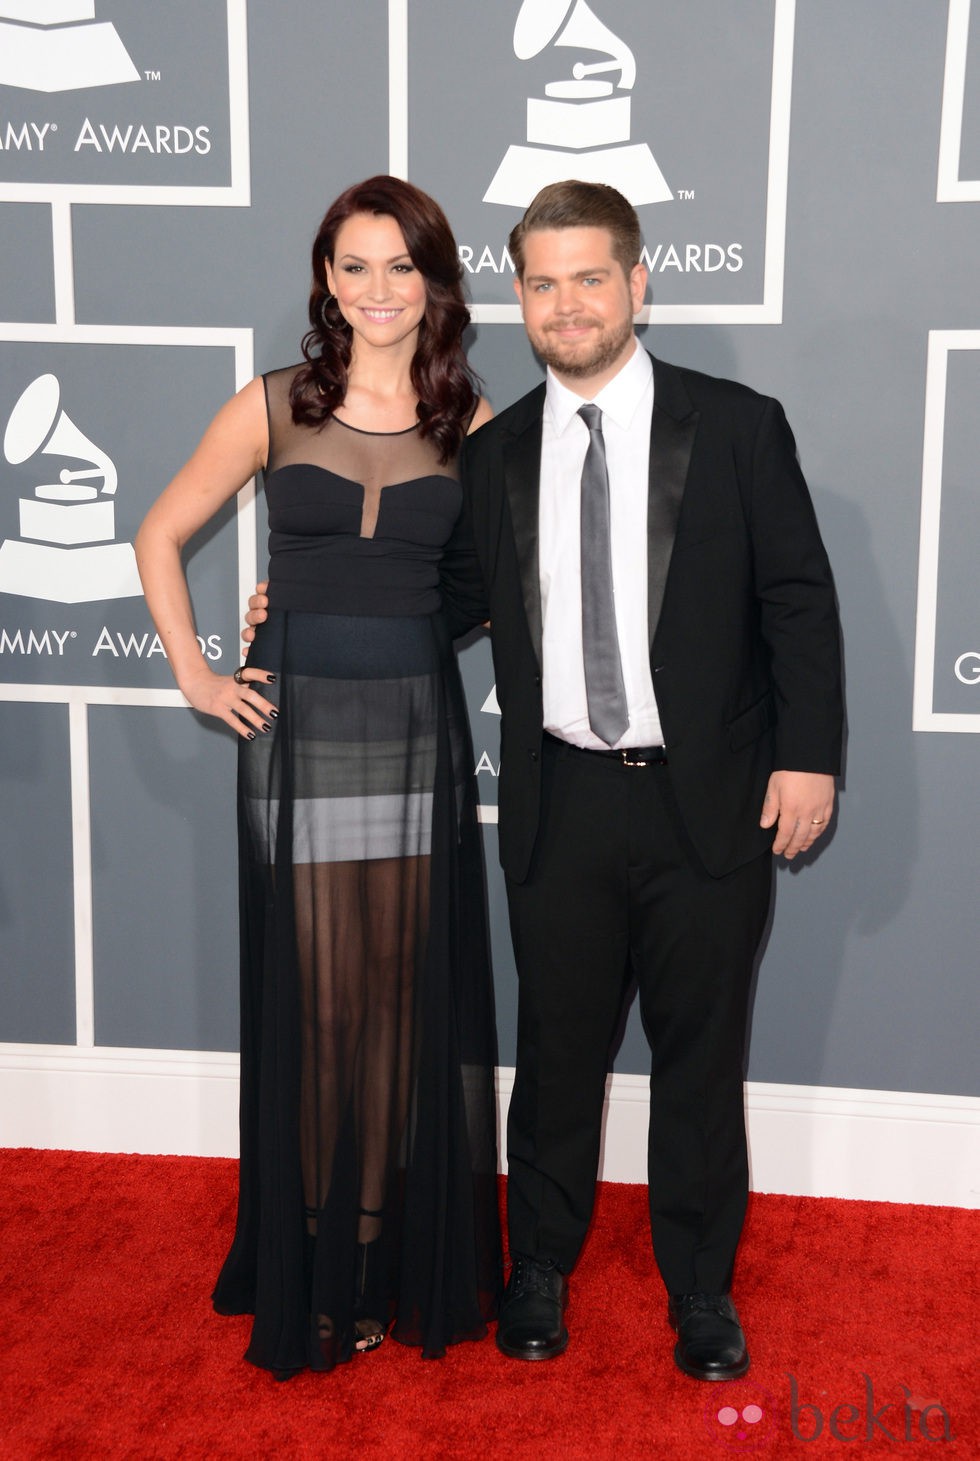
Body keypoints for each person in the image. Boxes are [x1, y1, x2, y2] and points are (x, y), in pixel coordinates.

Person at [245, 179, 844, 1382]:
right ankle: (537, 1271)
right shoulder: (494, 446)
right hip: (557, 798)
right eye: (540, 282)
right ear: (516, 296)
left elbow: (795, 599)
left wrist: (807, 755)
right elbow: (442, 595)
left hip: (709, 797)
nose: (565, 304)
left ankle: (699, 1291)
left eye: (588, 277)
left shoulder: (735, 425)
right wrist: (301, 599)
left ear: (636, 282)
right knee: (556, 1052)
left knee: (698, 1057)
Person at [135, 175, 501, 1377]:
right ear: (325, 280)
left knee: (396, 1008)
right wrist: (197, 671)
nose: (378, 289)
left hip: (412, 732)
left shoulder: (472, 423)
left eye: (401, 266)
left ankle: (373, 1252)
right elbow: (158, 531)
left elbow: (492, 587)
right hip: (296, 734)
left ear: (433, 282)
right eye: (355, 266)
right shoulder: (273, 406)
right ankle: (310, 1261)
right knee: (320, 1008)